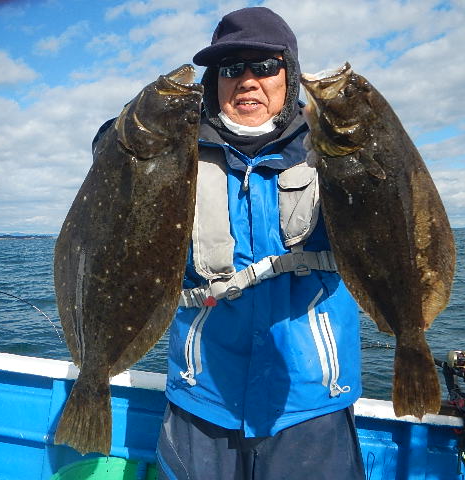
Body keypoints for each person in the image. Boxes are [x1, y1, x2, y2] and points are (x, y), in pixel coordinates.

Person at [154, 7, 366, 479]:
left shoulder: (335, 149)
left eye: (266, 66)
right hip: (200, 396)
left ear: (290, 76)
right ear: (213, 83)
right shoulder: (172, 155)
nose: (247, 80)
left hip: (311, 402)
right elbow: (113, 165)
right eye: (231, 68)